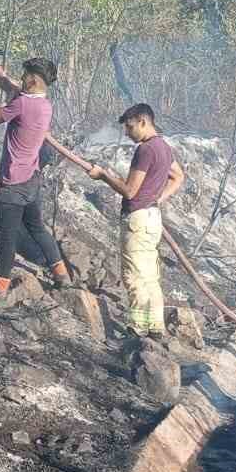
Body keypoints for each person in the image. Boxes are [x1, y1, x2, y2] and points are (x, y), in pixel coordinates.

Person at [0, 43, 72, 297]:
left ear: (34, 79)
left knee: (6, 238)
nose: (22, 77)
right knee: (37, 227)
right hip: (31, 180)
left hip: (13, 184)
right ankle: (62, 274)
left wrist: (0, 104)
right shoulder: (44, 105)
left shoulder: (22, 104)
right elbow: (10, 85)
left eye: (26, 74)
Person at [89, 103, 185, 340]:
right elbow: (178, 176)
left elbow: (130, 191)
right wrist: (157, 198)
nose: (126, 132)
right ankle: (155, 328)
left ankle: (138, 329)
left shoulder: (146, 150)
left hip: (138, 220)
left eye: (130, 126)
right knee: (150, 276)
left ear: (143, 121)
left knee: (134, 276)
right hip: (152, 217)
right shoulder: (164, 147)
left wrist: (103, 176)